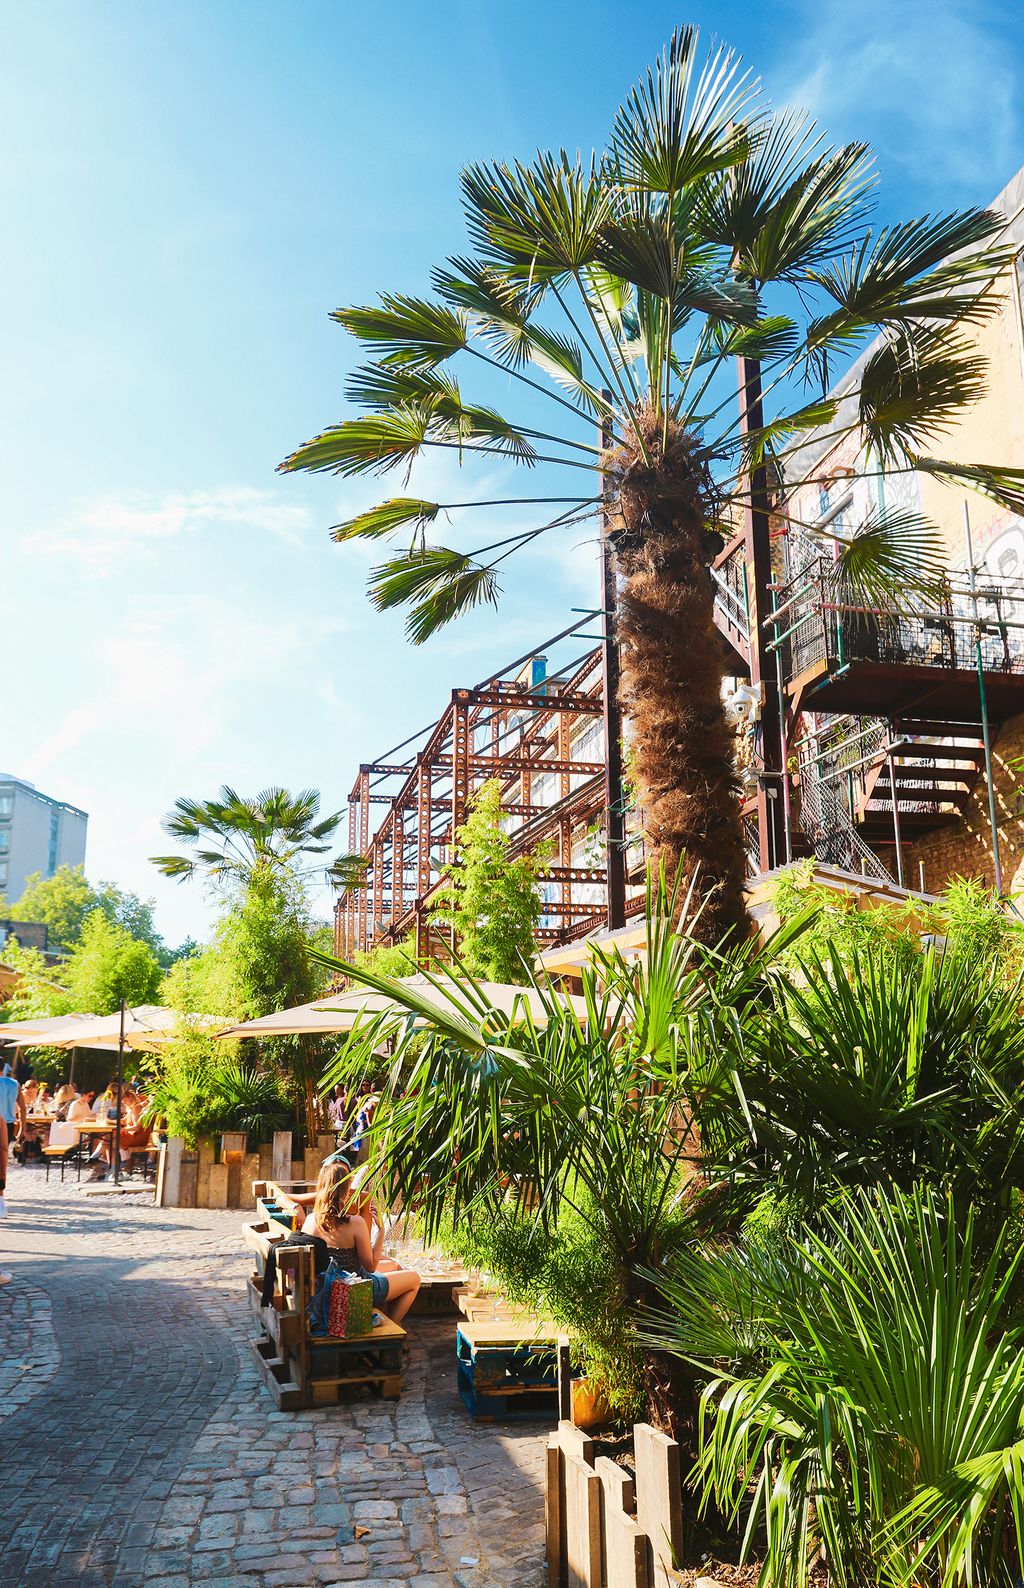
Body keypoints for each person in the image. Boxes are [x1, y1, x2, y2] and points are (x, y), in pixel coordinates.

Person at [301, 1160, 420, 1324]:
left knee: (393, 1267)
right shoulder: (355, 1223)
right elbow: (370, 1266)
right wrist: (381, 1232)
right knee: (414, 1278)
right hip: (355, 1290)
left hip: (324, 1291)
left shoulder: (310, 1221)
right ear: (346, 1190)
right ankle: (393, 1327)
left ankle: (386, 1323)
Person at [0, 1063, 26, 1219]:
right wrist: (23, 1127)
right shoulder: (14, 1084)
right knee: (2, 1159)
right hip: (9, 1124)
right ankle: (1, 1198)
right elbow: (22, 1108)